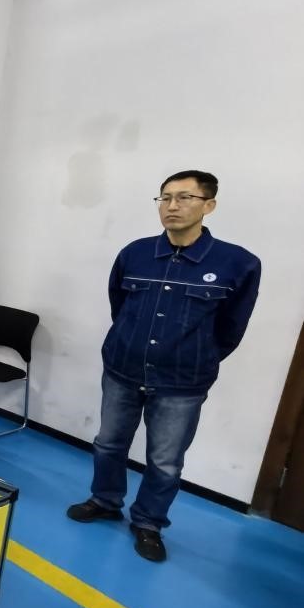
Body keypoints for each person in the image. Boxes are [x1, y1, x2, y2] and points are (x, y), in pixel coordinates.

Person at [67, 170, 260, 562]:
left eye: (185, 197)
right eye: (165, 198)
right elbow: (119, 306)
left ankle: (149, 523)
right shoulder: (135, 254)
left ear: (209, 205)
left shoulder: (238, 263)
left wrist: (194, 357)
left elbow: (230, 329)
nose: (172, 206)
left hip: (181, 383)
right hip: (122, 370)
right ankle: (105, 501)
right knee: (108, 443)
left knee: (165, 461)